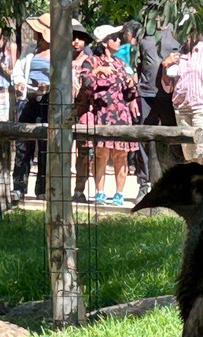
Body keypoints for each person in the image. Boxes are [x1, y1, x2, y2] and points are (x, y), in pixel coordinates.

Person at [81, 24, 139, 206]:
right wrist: (97, 72)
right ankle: (99, 193)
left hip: (121, 115)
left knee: (121, 155)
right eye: (115, 38)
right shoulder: (91, 62)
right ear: (105, 43)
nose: (119, 40)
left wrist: (131, 85)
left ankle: (119, 194)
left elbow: (129, 95)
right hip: (102, 114)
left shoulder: (121, 64)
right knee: (101, 155)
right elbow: (86, 86)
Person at [160, 26, 203, 165]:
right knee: (189, 155)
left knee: (202, 152)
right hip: (182, 109)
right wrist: (166, 67)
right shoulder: (178, 55)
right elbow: (168, 86)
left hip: (202, 108)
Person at [135, 19, 183, 195]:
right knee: (144, 139)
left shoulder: (177, 30)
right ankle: (143, 185)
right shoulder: (143, 33)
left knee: (175, 139)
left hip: (170, 95)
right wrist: (134, 94)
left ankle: (177, 184)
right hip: (145, 93)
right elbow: (136, 64)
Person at [11, 14, 52, 201]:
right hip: (28, 100)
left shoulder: (57, 54)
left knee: (45, 146)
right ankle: (19, 187)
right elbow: (18, 71)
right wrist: (19, 83)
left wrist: (47, 87)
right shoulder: (30, 51)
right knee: (23, 145)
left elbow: (63, 78)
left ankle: (42, 189)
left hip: (47, 102)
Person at [71, 21, 94, 203]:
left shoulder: (90, 62)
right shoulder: (63, 60)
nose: (76, 41)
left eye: (80, 38)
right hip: (63, 110)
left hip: (84, 110)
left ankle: (79, 190)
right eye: (73, 38)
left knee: (83, 152)